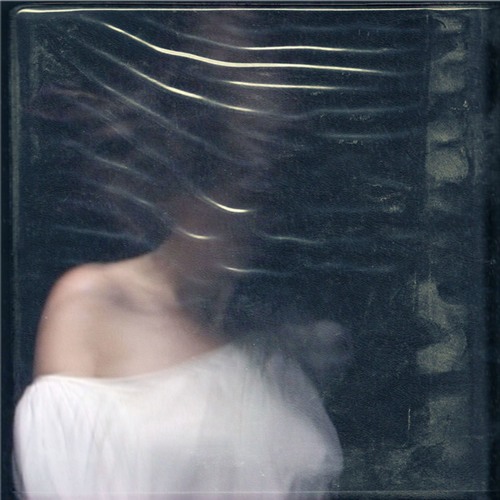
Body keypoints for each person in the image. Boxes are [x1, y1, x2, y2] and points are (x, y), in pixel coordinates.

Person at [13, 9, 344, 498]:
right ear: (183, 184)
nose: (249, 215)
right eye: (239, 184)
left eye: (267, 189)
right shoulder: (97, 303)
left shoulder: (278, 345)